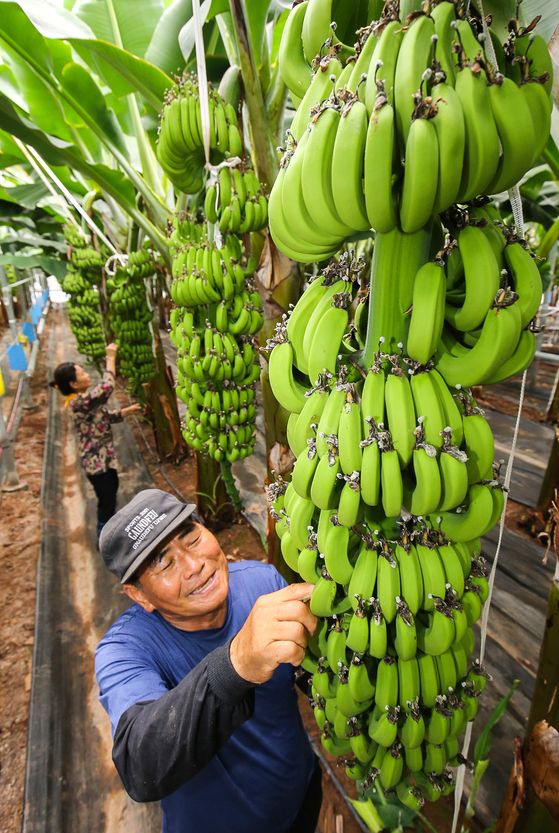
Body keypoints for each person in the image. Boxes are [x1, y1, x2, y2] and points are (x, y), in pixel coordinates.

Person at [95, 488, 321, 833]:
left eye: (191, 537)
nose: (194, 565)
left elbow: (310, 674)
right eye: (162, 561)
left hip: (300, 793)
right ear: (139, 595)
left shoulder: (263, 584)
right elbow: (141, 764)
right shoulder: (126, 650)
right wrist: (236, 664)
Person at [49, 343, 141, 537]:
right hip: (96, 465)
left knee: (111, 492)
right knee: (106, 500)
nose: (87, 375)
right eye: (82, 373)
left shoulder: (83, 402)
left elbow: (104, 417)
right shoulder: (78, 402)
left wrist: (129, 410)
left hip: (104, 460)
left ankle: (110, 530)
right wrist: (110, 358)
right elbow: (107, 387)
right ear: (73, 384)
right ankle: (104, 537)